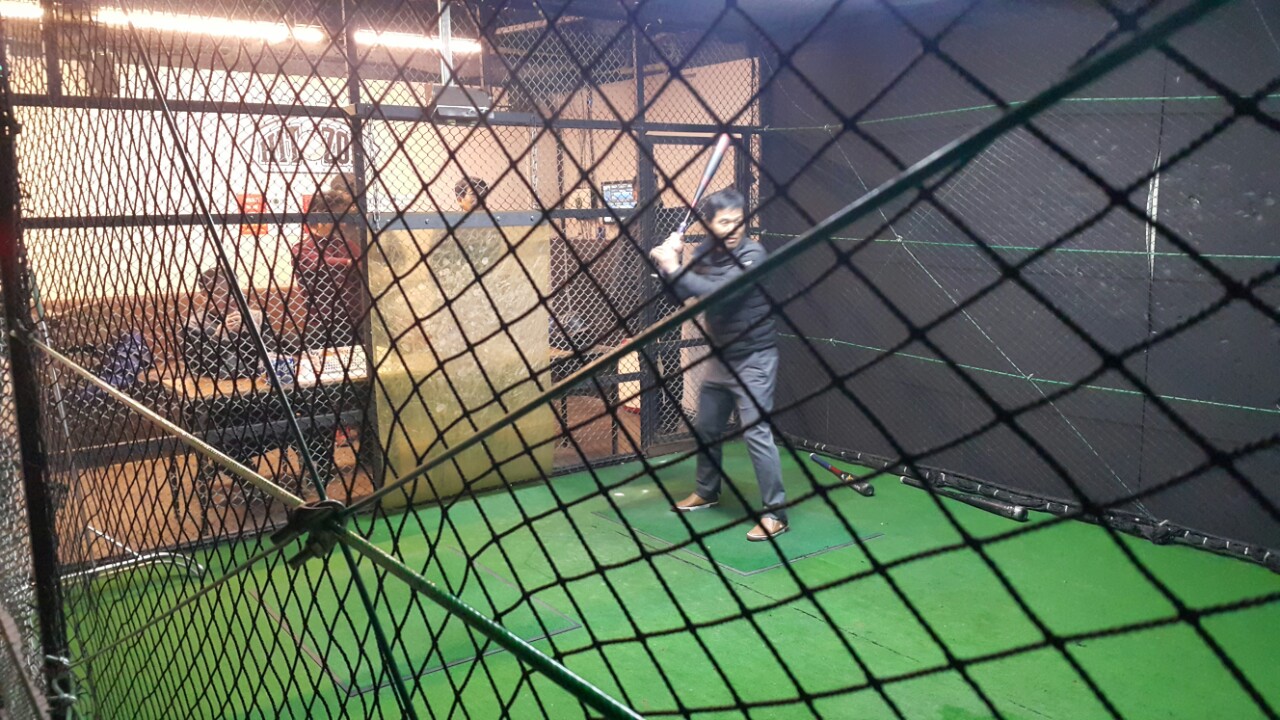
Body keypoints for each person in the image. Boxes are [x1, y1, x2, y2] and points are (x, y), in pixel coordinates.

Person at [649, 188, 788, 542]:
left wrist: (674, 267)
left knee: (756, 433)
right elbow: (681, 294)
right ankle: (706, 491)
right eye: (724, 222)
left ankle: (776, 514)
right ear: (709, 224)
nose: (733, 228)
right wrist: (668, 264)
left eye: (738, 221)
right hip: (722, 357)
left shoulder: (754, 254)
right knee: (707, 426)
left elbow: (720, 294)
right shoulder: (705, 253)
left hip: (755, 358)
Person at [293, 188, 365, 349]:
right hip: (325, 326)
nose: (344, 224)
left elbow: (363, 263)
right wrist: (349, 263)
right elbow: (317, 263)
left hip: (358, 321)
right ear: (321, 216)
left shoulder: (345, 243)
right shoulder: (303, 248)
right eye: (339, 218)